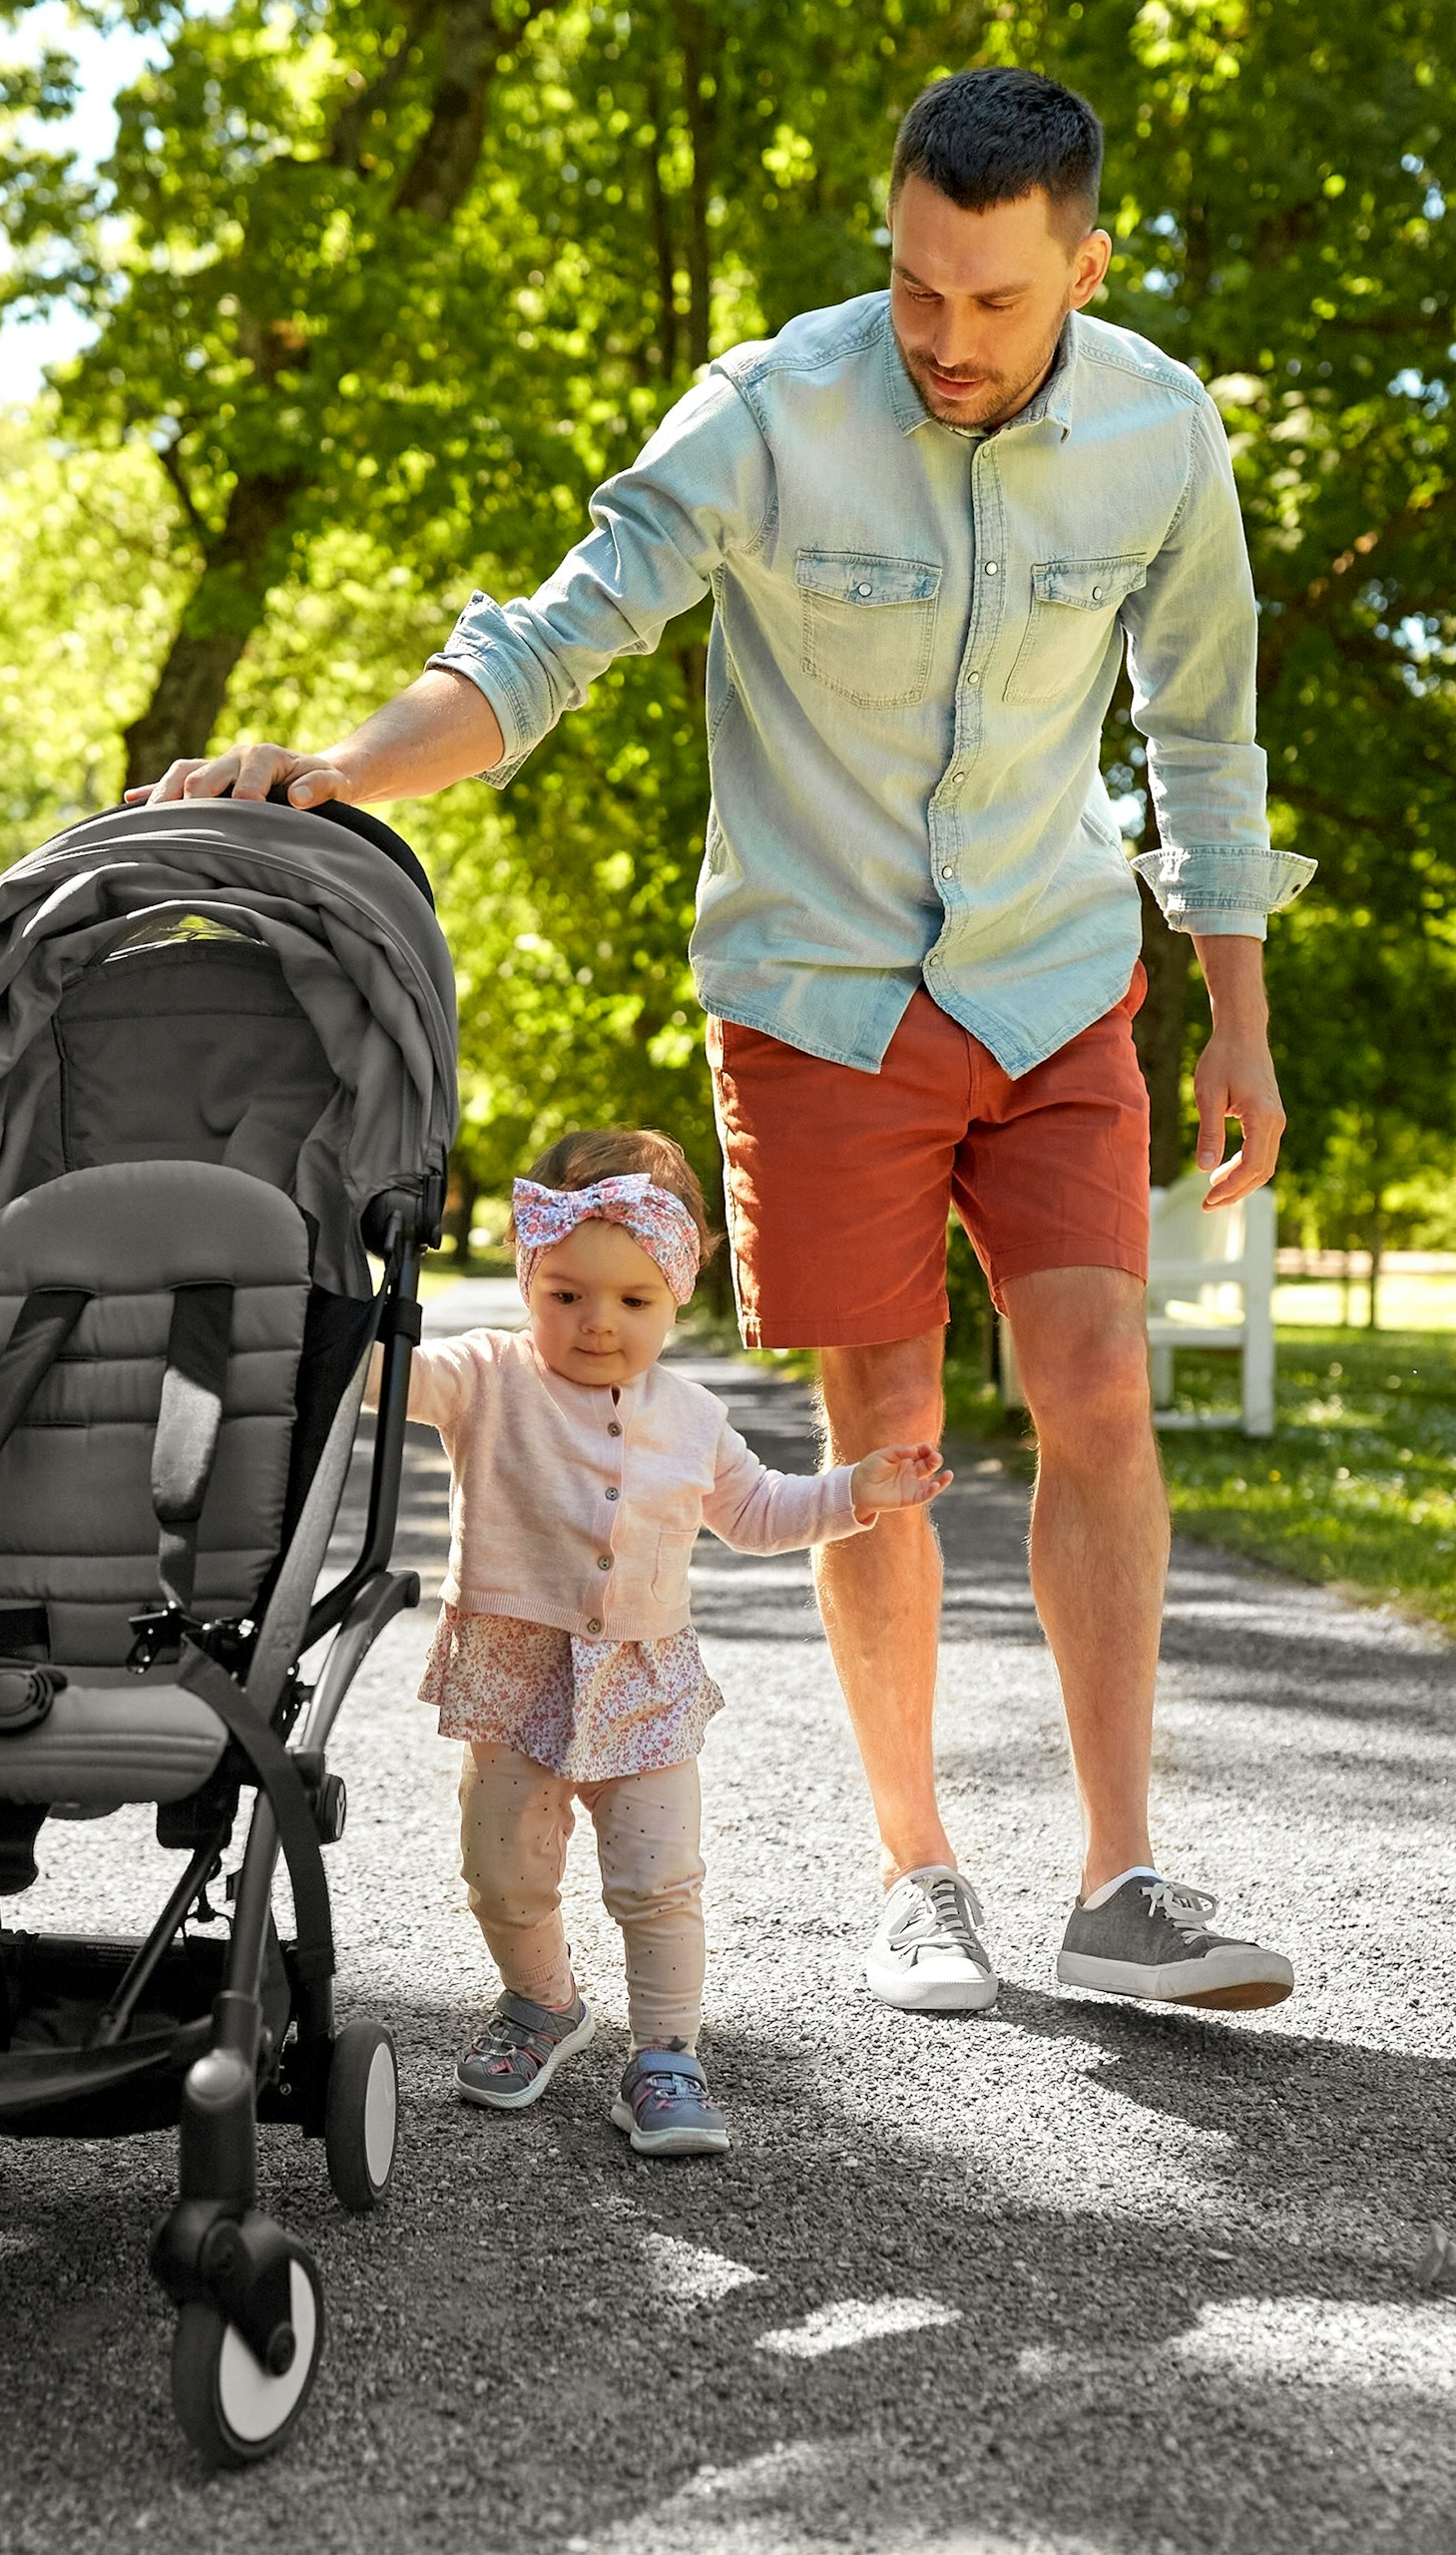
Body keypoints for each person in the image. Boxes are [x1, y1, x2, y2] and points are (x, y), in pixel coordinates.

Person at [137, 68, 1310, 2016]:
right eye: (919, 287)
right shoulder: (770, 413)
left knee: (1098, 1377)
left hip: (1048, 975)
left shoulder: (1162, 437)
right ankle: (920, 1867)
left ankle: (1125, 1878)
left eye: (998, 301)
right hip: (822, 997)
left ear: (1086, 268)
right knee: (892, 1439)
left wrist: (1241, 1015)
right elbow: (554, 634)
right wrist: (344, 772)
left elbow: (1207, 739)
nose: (947, 338)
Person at [402, 1130, 947, 2156]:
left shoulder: (691, 1416)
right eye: (566, 1295)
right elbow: (387, 1381)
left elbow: (759, 1511)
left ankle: (666, 2053)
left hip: (643, 1680)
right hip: (512, 1672)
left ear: (676, 1298)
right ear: (530, 1278)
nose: (597, 1324)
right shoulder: (485, 1379)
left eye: (632, 1302)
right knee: (502, 1869)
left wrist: (854, 1492)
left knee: (659, 1879)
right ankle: (542, 2002)